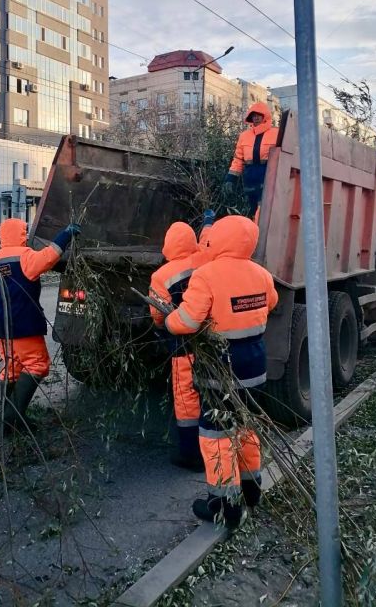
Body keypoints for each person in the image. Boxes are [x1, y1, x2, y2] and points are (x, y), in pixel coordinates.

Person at [165, 216, 278, 528]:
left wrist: (169, 321)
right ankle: (252, 490)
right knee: (247, 428)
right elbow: (271, 303)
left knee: (217, 436)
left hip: (220, 369)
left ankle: (224, 505)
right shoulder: (262, 274)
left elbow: (186, 321)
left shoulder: (206, 275)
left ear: (220, 240)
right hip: (255, 364)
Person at [0, 218, 81, 434]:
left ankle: (10, 422)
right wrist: (66, 234)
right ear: (20, 234)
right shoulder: (23, 257)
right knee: (37, 364)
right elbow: (48, 257)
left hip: (2, 327)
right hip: (24, 325)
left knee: (12, 369)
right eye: (24, 232)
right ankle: (10, 418)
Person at [148, 210, 215, 471]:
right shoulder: (205, 259)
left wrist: (160, 328)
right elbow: (208, 239)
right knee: (211, 391)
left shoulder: (161, 276)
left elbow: (157, 313)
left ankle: (191, 453)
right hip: (210, 340)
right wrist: (207, 222)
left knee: (186, 395)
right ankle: (216, 447)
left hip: (182, 343)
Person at [223, 102, 279, 216]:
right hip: (250, 178)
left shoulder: (276, 133)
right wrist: (230, 179)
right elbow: (238, 159)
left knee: (265, 211)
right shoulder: (244, 136)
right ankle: (255, 231)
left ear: (265, 116)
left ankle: (263, 232)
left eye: (259, 115)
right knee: (253, 211)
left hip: (268, 176)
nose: (256, 118)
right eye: (253, 115)